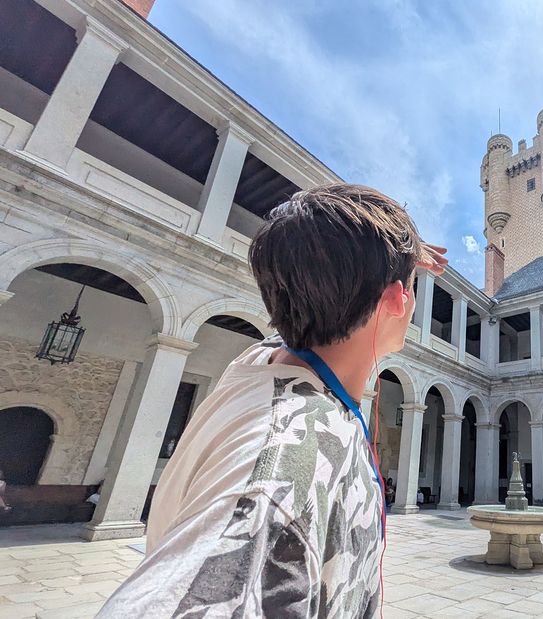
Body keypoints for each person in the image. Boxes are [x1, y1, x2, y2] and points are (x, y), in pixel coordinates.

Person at [98, 184, 447, 618]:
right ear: (398, 299)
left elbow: (311, 294)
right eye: (411, 287)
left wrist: (396, 260)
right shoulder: (295, 456)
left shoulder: (261, 361)